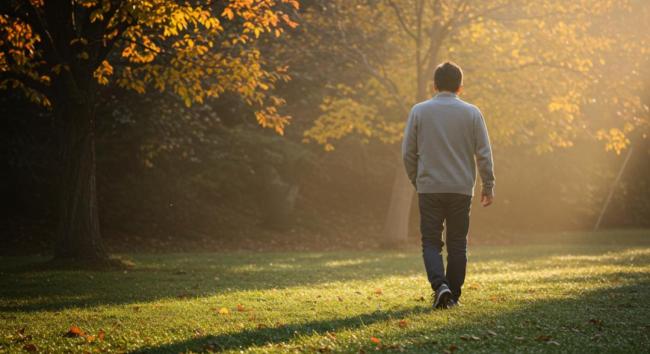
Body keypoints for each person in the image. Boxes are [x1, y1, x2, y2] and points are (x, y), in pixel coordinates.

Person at [401, 61, 495, 309]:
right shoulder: (472, 113)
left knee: (431, 241)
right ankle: (452, 293)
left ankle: (440, 287)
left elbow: (408, 153)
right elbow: (483, 153)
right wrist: (488, 184)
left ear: (434, 85)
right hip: (461, 188)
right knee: (457, 243)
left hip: (429, 187)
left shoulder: (419, 111)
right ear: (460, 87)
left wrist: (417, 179)